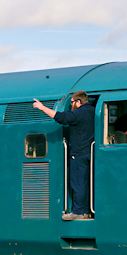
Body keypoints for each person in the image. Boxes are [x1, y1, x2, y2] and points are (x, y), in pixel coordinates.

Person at [33, 90, 95, 220]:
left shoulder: (79, 112)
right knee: (87, 183)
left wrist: (42, 108)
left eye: (72, 102)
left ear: (78, 102)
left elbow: (61, 118)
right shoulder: (93, 111)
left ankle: (79, 211)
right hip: (90, 152)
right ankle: (86, 210)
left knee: (78, 183)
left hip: (79, 154)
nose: (71, 105)